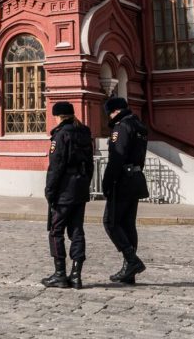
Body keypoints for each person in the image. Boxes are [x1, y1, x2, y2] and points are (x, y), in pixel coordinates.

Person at [42, 100, 94, 290]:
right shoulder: (84, 133)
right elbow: (90, 164)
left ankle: (60, 274)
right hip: (80, 188)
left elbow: (56, 167)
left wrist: (50, 191)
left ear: (58, 116)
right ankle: (76, 275)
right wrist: (85, 183)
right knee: (77, 231)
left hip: (64, 189)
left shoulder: (60, 135)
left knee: (56, 231)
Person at [101, 95, 149, 284]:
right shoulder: (139, 126)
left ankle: (132, 261)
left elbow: (117, 158)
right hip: (136, 178)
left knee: (110, 222)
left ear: (114, 111)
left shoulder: (121, 127)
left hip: (122, 180)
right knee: (128, 224)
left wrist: (107, 182)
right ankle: (129, 271)